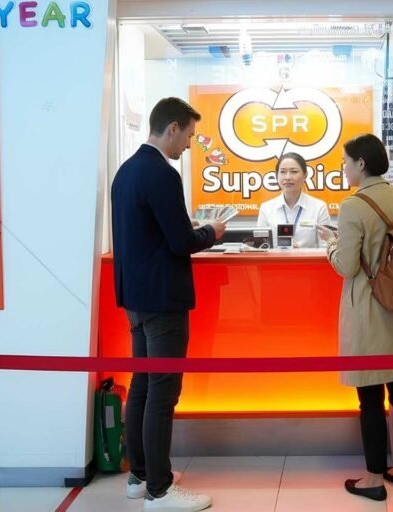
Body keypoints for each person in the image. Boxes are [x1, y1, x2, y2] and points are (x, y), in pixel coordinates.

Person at [111, 97, 224, 512]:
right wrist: (212, 232)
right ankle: (160, 489)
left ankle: (139, 476)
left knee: (142, 387)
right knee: (162, 393)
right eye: (190, 135)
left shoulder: (126, 171)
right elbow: (180, 241)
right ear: (172, 128)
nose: (190, 145)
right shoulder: (161, 172)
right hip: (162, 300)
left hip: (136, 299)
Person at [318, 133, 393, 502]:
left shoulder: (354, 206)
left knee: (370, 397)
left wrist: (331, 245)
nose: (344, 167)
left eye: (346, 161)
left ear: (361, 164)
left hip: (369, 309)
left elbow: (348, 265)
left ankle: (372, 479)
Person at [257, 152, 331, 248]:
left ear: (305, 175)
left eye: (294, 172)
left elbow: (325, 248)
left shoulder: (319, 207)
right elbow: (260, 246)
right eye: (283, 172)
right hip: (276, 262)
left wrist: (301, 252)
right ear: (276, 175)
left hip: (308, 262)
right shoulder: (266, 208)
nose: (288, 177)